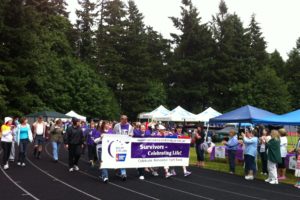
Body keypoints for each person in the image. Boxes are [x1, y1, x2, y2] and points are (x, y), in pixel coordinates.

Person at [112, 115, 133, 181]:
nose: (125, 120)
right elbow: (113, 134)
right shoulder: (116, 126)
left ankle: (122, 171)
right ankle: (122, 172)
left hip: (126, 145)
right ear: (121, 119)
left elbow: (132, 134)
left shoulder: (130, 126)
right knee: (120, 158)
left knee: (123, 158)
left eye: (126, 119)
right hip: (118, 144)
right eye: (123, 119)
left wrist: (131, 135)